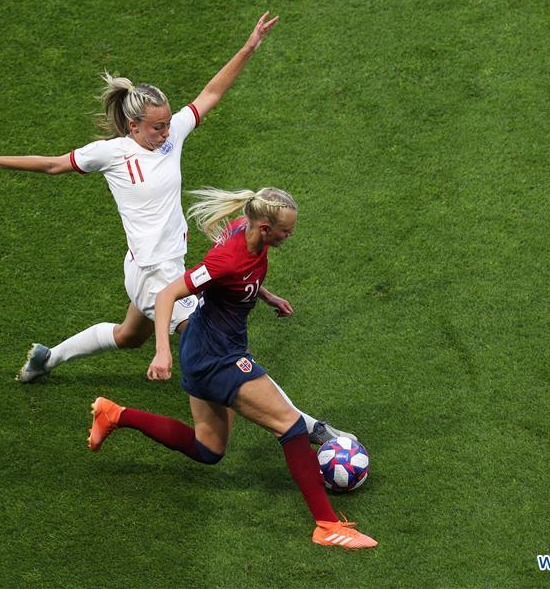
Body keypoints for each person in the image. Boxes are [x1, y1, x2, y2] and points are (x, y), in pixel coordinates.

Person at [0, 13, 352, 446]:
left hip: (165, 266)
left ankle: (46, 358)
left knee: (129, 336)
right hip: (151, 273)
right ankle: (310, 427)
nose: (166, 132)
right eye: (156, 126)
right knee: (218, 349)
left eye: (168, 123)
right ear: (133, 126)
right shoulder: (110, 153)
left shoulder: (172, 137)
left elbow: (212, 93)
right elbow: (54, 164)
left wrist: (249, 46)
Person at [88, 187, 376, 549]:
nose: (291, 236)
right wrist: (163, 352)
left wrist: (266, 295)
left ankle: (115, 415)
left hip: (210, 348)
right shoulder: (227, 258)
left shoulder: (251, 234)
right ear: (266, 227)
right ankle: (327, 525)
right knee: (289, 426)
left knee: (207, 450)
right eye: (286, 231)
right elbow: (167, 295)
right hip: (215, 357)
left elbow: (241, 280)